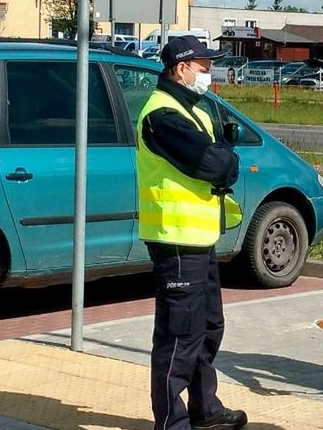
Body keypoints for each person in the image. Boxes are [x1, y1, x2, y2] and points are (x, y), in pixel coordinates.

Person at [137, 35, 247, 430]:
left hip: (199, 240)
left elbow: (220, 154)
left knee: (208, 327)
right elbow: (215, 163)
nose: (209, 75)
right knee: (178, 336)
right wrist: (225, 160)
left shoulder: (191, 109)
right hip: (176, 240)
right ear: (181, 69)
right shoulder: (162, 116)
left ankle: (205, 410)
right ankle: (171, 422)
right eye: (204, 68)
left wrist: (224, 157)